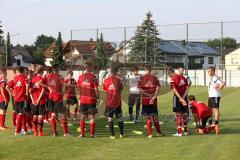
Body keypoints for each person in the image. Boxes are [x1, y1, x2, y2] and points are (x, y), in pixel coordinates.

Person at [138, 64, 164, 138]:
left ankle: (150, 134)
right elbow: (158, 88)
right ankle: (158, 132)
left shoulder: (141, 78)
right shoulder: (155, 77)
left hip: (145, 100)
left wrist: (147, 95)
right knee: (155, 116)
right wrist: (154, 96)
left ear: (145, 70)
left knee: (148, 117)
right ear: (151, 69)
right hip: (153, 100)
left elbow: (140, 90)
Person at [78, 61, 99, 138]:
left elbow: (79, 89)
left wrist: (79, 98)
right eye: (92, 67)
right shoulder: (93, 77)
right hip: (91, 100)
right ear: (89, 67)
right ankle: (92, 134)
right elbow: (96, 89)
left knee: (82, 117)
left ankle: (82, 134)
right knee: (92, 117)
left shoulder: (80, 77)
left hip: (83, 99)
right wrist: (98, 98)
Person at [47, 66, 70, 137]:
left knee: (53, 115)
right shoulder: (59, 77)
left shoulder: (48, 76)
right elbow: (65, 84)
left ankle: (54, 133)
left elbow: (40, 83)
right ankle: (65, 133)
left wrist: (49, 88)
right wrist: (63, 91)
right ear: (57, 70)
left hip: (51, 97)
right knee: (63, 115)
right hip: (58, 97)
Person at [103, 65, 124, 139]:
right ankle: (121, 134)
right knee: (120, 118)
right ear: (116, 73)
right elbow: (121, 89)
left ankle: (112, 135)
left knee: (110, 118)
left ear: (110, 73)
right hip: (117, 102)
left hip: (109, 102)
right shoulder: (118, 80)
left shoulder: (105, 81)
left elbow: (105, 90)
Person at [6, 66, 28, 136]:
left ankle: (22, 130)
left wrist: (12, 93)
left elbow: (7, 87)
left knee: (21, 114)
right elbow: (27, 85)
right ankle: (17, 131)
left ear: (18, 71)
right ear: (22, 71)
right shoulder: (24, 78)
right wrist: (27, 92)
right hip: (22, 99)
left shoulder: (15, 78)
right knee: (21, 114)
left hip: (16, 99)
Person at [168, 68, 189, 137]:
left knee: (178, 115)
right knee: (184, 114)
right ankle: (185, 131)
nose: (169, 75)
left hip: (177, 98)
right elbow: (187, 89)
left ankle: (179, 133)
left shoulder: (174, 78)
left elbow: (174, 89)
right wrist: (183, 98)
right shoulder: (184, 78)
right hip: (184, 98)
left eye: (169, 74)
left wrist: (180, 98)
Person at [207, 66, 225, 134]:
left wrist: (219, 89)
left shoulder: (216, 77)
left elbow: (223, 83)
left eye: (209, 71)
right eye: (208, 71)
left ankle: (216, 124)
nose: (208, 72)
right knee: (210, 109)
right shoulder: (210, 78)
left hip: (215, 96)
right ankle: (210, 123)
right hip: (210, 96)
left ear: (213, 71)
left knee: (216, 109)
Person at [29, 65, 46, 136]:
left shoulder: (33, 79)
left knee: (35, 116)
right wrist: (39, 100)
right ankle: (40, 132)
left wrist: (33, 100)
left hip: (33, 100)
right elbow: (43, 90)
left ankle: (35, 131)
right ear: (42, 71)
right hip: (41, 100)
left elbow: (30, 91)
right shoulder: (42, 79)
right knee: (40, 116)